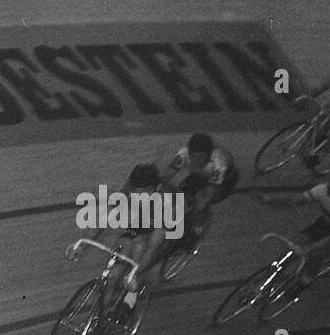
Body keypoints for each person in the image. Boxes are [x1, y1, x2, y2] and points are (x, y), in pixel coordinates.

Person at [117, 132, 238, 310]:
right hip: (198, 176)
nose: (196, 158)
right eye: (193, 154)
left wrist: (197, 212)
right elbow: (165, 178)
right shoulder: (183, 155)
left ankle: (197, 229)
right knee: (179, 192)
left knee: (201, 199)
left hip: (223, 181)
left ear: (208, 154)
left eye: (200, 156)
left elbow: (209, 194)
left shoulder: (219, 163)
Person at [250, 178, 330, 294]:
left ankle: (304, 281)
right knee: (293, 247)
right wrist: (268, 199)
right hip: (324, 224)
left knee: (316, 254)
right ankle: (272, 275)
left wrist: (308, 249)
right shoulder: (323, 189)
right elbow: (295, 199)